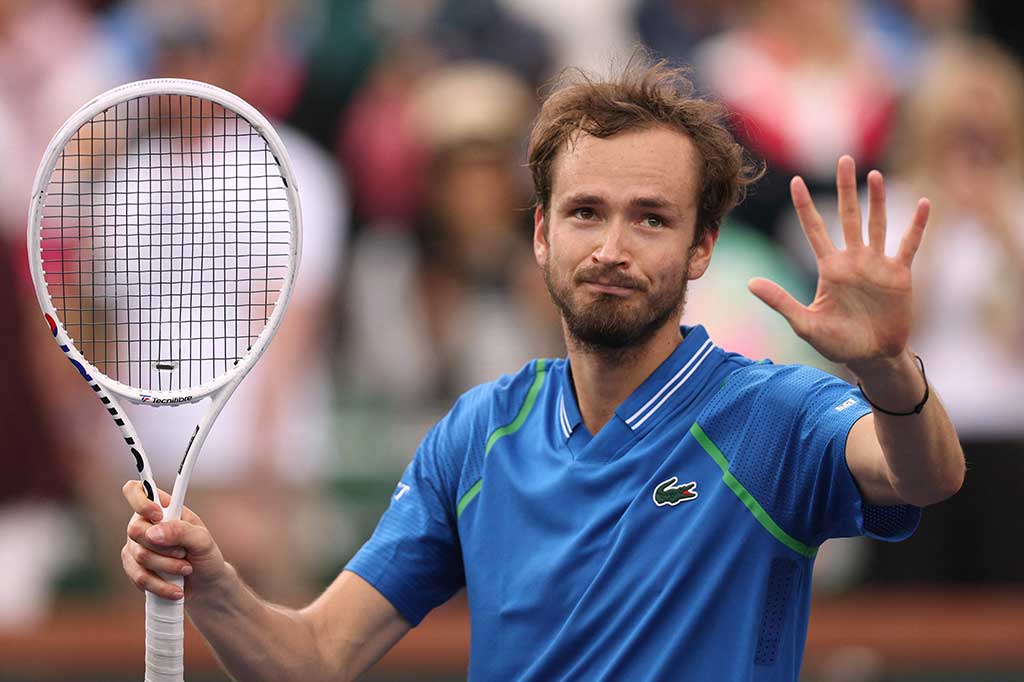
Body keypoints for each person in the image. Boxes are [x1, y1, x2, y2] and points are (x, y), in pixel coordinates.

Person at [120, 58, 964, 680]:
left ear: (701, 246)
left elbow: (923, 474)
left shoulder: (774, 415)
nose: (611, 248)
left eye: (652, 220)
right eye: (585, 212)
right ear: (540, 234)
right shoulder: (480, 433)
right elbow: (317, 657)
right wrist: (216, 585)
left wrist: (889, 368)